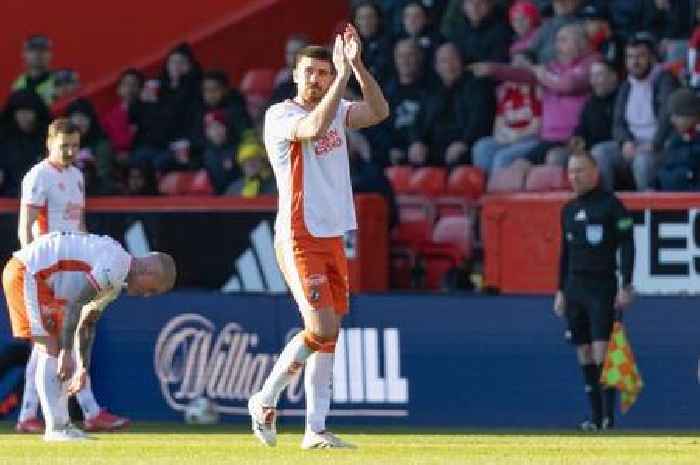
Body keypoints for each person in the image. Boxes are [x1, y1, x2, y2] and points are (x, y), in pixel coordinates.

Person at [251, 24, 388, 449]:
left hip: (331, 233)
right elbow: (312, 129)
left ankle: (316, 429)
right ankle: (265, 397)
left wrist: (358, 67)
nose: (316, 79)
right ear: (295, 75)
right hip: (298, 233)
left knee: (330, 334)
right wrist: (342, 79)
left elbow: (378, 112)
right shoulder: (281, 115)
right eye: (309, 72)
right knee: (321, 327)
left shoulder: (338, 106)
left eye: (323, 73)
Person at [2, 231, 176, 441]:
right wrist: (67, 351)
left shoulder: (117, 276)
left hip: (35, 276)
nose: (148, 296)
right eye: (153, 290)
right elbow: (76, 305)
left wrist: (82, 367)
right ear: (149, 272)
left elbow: (87, 323)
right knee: (50, 348)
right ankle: (55, 429)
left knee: (55, 350)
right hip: (27, 272)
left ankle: (62, 425)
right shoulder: (116, 264)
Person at [14, 119, 128, 435]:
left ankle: (29, 414)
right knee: (58, 339)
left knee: (50, 344)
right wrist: (31, 264)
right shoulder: (38, 175)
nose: (70, 151)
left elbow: (80, 224)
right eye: (64, 145)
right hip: (49, 265)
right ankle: (88, 410)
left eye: (75, 145)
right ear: (48, 143)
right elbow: (25, 225)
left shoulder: (77, 176)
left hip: (73, 264)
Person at [554, 146, 635, 431]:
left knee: (603, 352)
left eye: (580, 170)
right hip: (575, 287)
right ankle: (594, 416)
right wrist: (560, 290)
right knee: (584, 353)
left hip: (602, 286)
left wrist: (625, 283)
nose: (574, 177)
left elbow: (627, 244)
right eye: (570, 171)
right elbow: (565, 253)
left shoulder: (612, 205)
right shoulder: (568, 210)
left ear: (594, 173)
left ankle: (608, 418)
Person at [611, 32, 678, 190]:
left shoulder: (664, 80)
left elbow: (667, 117)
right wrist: (625, 141)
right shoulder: (626, 85)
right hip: (633, 143)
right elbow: (618, 123)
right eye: (630, 57)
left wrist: (654, 144)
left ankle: (646, 210)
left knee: (642, 162)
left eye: (640, 56)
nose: (634, 62)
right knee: (600, 154)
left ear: (652, 58)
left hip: (660, 145)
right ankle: (606, 208)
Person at [656, 88, 700, 191]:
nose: (672, 120)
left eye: (677, 115)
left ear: (692, 115)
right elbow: (665, 166)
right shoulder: (676, 137)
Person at [12, 35, 55, 106]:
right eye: (32, 50)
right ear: (23, 54)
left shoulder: (60, 82)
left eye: (43, 50)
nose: (38, 54)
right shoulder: (18, 84)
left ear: (50, 54)